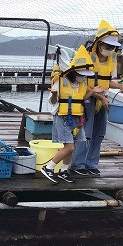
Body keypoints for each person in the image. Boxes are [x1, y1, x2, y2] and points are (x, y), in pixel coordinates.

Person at [70, 20, 123, 176]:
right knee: (85, 133)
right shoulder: (86, 57)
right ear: (98, 44)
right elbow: (80, 83)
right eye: (107, 46)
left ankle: (91, 163)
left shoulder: (111, 59)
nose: (110, 50)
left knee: (99, 134)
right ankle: (78, 164)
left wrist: (119, 86)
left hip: (103, 100)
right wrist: (100, 97)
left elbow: (107, 80)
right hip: (88, 99)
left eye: (112, 47)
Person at [41, 45, 100, 184]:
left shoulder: (82, 83)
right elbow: (52, 101)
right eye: (81, 74)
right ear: (74, 71)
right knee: (70, 146)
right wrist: (54, 95)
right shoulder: (61, 81)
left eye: (85, 74)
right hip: (62, 117)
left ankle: (63, 171)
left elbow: (81, 99)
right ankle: (48, 168)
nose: (83, 77)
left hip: (76, 117)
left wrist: (92, 91)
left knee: (73, 146)